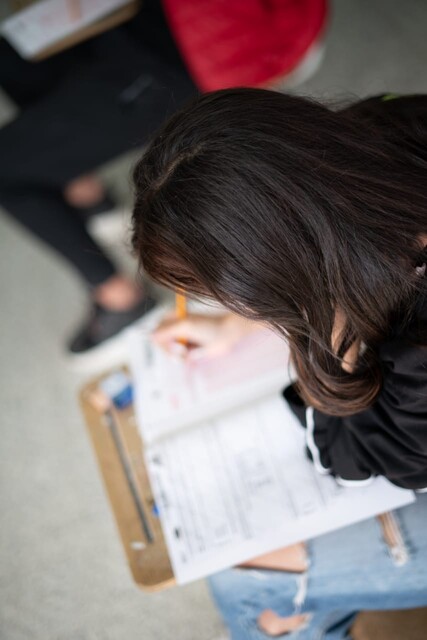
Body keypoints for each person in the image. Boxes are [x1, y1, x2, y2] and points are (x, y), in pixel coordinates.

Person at [130, 89, 427, 639]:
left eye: (227, 294)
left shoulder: (415, 354)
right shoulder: (383, 132)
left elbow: (355, 459)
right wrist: (244, 322)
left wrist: (326, 335)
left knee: (247, 584)